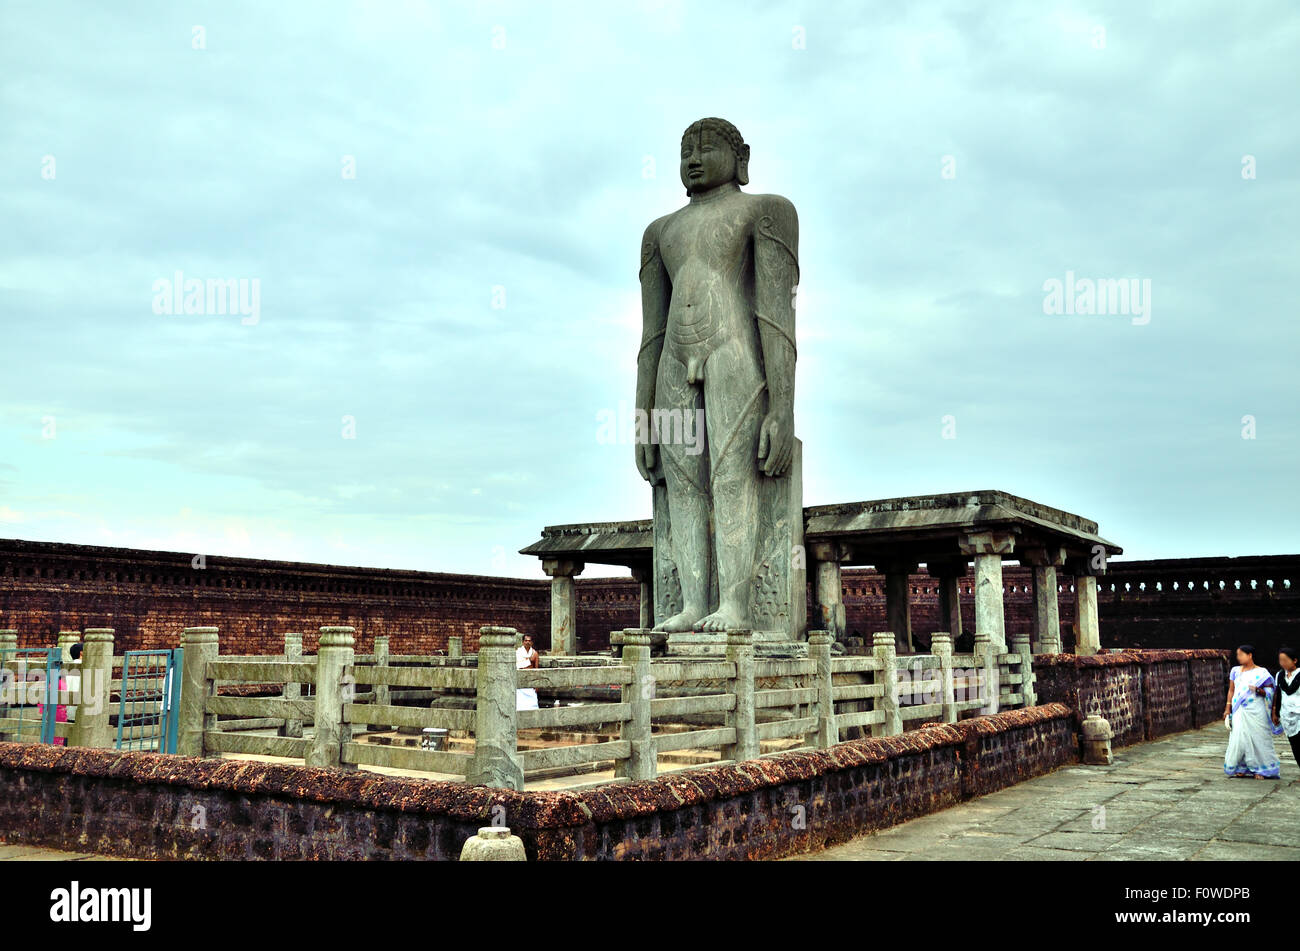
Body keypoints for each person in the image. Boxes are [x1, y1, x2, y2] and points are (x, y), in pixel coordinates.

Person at [1223, 644, 1282, 779]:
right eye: (1237, 655)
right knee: (1239, 738)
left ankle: (1261, 769)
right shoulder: (1235, 671)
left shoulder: (1262, 673)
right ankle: (1241, 768)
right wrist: (1228, 708)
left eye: (1241, 655)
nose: (1238, 658)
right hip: (1239, 710)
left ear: (1250, 655)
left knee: (1258, 738)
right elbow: (1232, 690)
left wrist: (1258, 690)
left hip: (1257, 710)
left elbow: (1271, 692)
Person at [1271, 646, 1300, 769]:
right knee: (1295, 745)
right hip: (1287, 714)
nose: (1283, 663)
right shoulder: (1280, 675)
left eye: (1286, 660)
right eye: (1281, 660)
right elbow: (1278, 695)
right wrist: (1275, 712)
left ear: (1294, 660)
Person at [515, 634, 539, 711]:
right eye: (526, 640)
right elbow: (517, 666)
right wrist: (529, 661)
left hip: (531, 680)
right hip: (520, 679)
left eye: (529, 641)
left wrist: (537, 684)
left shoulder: (535, 653)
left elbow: (536, 668)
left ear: (531, 642)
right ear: (523, 642)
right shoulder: (518, 652)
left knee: (532, 704)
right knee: (520, 704)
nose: (527, 642)